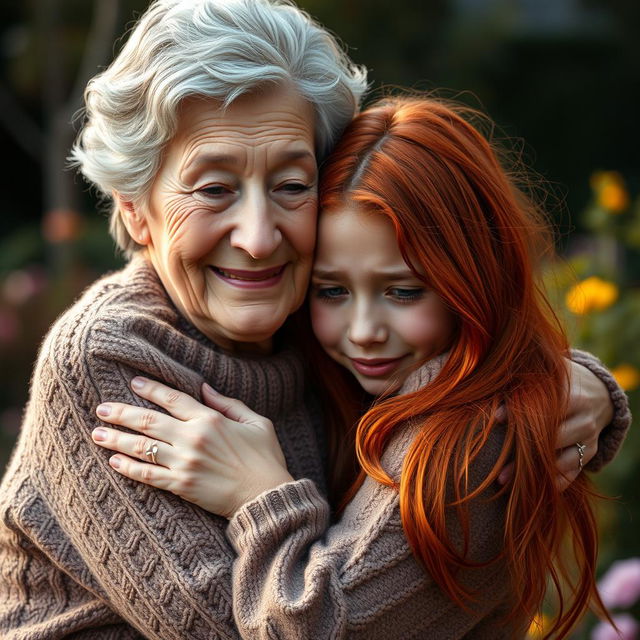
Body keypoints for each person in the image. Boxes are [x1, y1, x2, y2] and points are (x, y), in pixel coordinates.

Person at [0, 0, 628, 637]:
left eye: (291, 185)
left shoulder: (310, 320)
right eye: (214, 189)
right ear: (136, 209)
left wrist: (563, 384)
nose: (259, 237)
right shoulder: (114, 357)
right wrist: (269, 501)